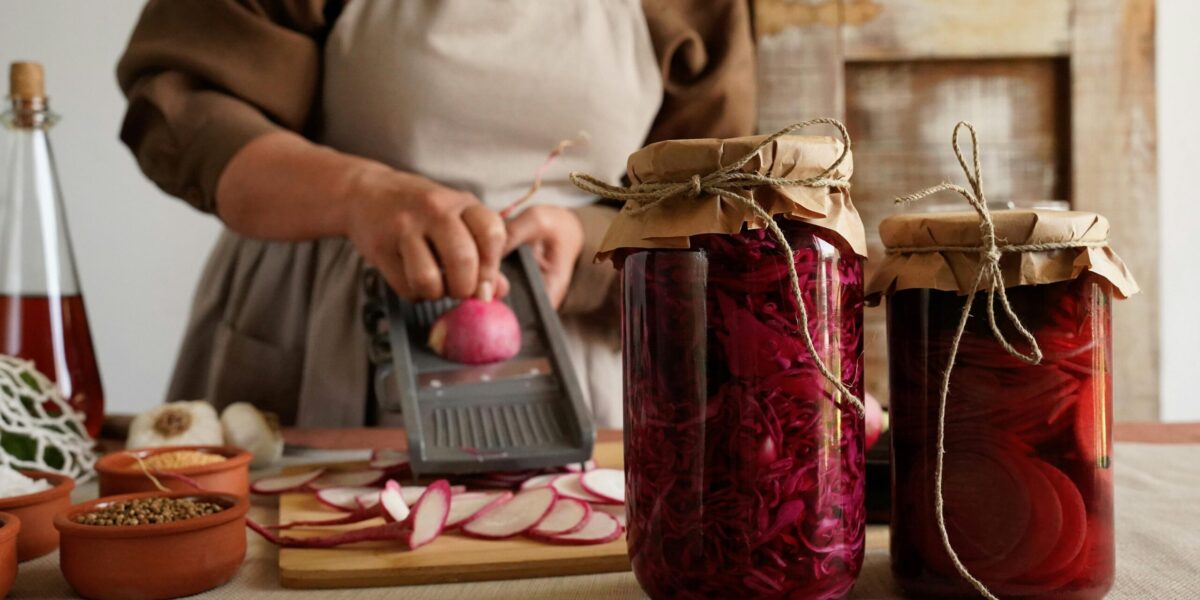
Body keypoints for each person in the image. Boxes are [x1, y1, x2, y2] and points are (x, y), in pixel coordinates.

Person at [116, 0, 756, 429]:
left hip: (582, 352)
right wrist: (358, 192)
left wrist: (588, 240)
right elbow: (183, 108)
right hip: (317, 334)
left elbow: (712, 197)